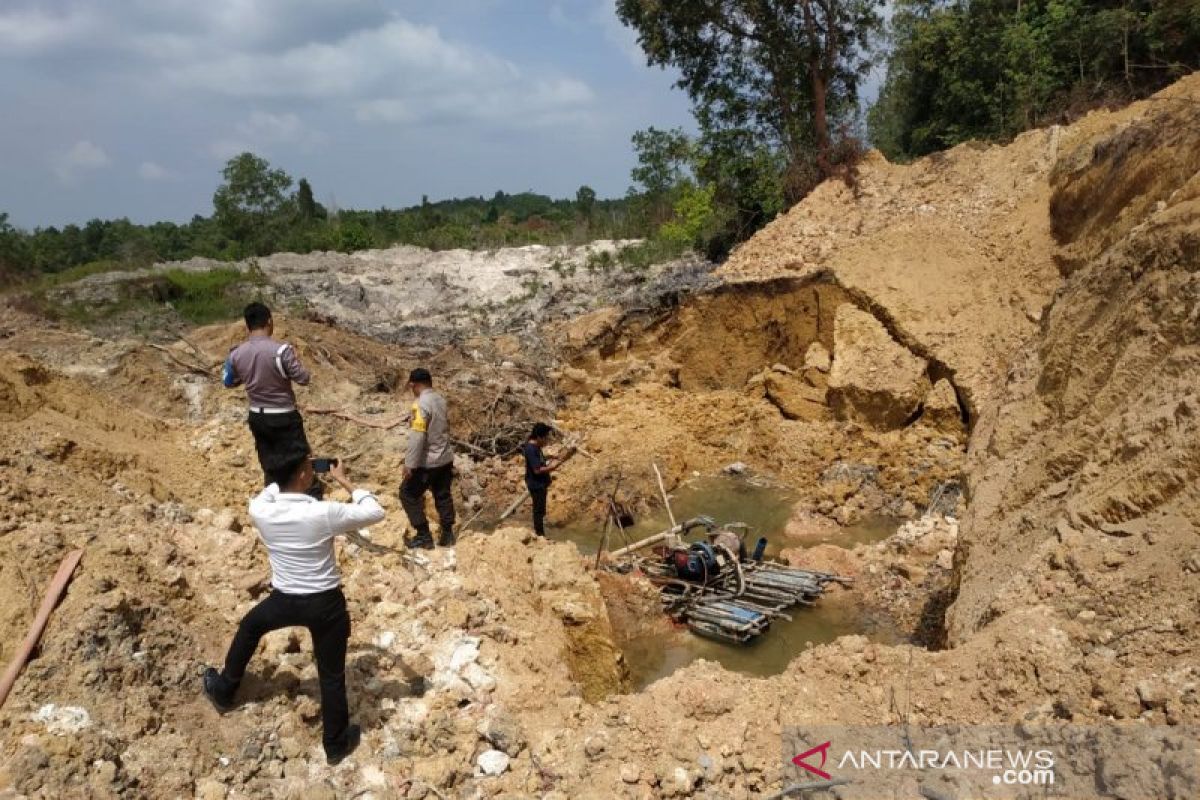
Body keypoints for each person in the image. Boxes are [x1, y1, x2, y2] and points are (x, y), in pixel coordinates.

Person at [202, 455, 384, 765]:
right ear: (303, 475)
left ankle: (223, 691)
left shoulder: (260, 509)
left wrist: (289, 471)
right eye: (309, 468)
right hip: (326, 604)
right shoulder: (323, 512)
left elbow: (270, 490)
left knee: (250, 626)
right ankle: (335, 745)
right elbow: (375, 511)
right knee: (331, 675)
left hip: (284, 600)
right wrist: (344, 480)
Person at [223, 302, 318, 494]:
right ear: (269, 321)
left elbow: (228, 382)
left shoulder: (236, 354)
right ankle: (304, 501)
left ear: (247, 325)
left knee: (269, 462)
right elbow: (303, 378)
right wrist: (297, 359)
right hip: (284, 416)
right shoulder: (282, 351)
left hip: (257, 416)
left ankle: (274, 500)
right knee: (298, 462)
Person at [399, 368, 456, 549]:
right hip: (445, 458)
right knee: (443, 494)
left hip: (428, 462)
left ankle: (424, 535)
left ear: (413, 385)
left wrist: (410, 464)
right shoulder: (440, 399)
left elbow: (418, 436)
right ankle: (447, 534)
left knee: (407, 493)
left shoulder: (420, 403)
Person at [521, 423, 574, 538]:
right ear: (539, 437)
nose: (546, 440)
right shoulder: (530, 449)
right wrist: (552, 467)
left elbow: (539, 460)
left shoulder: (536, 447)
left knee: (540, 509)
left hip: (540, 483)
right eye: (545, 437)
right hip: (536, 484)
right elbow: (537, 470)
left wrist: (550, 457)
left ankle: (540, 533)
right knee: (538, 511)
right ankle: (540, 535)